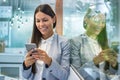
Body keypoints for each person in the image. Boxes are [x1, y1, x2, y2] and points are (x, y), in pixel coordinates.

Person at [22, 4, 70, 80]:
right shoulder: (30, 41)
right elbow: (25, 75)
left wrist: (49, 61)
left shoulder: (64, 42)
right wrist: (26, 65)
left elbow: (64, 76)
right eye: (38, 21)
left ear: (53, 19)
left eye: (45, 20)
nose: (41, 24)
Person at [69, 8, 118, 80]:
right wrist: (95, 61)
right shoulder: (75, 42)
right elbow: (75, 74)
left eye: (103, 22)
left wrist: (114, 65)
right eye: (96, 20)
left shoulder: (106, 42)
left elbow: (111, 74)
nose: (100, 25)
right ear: (86, 19)